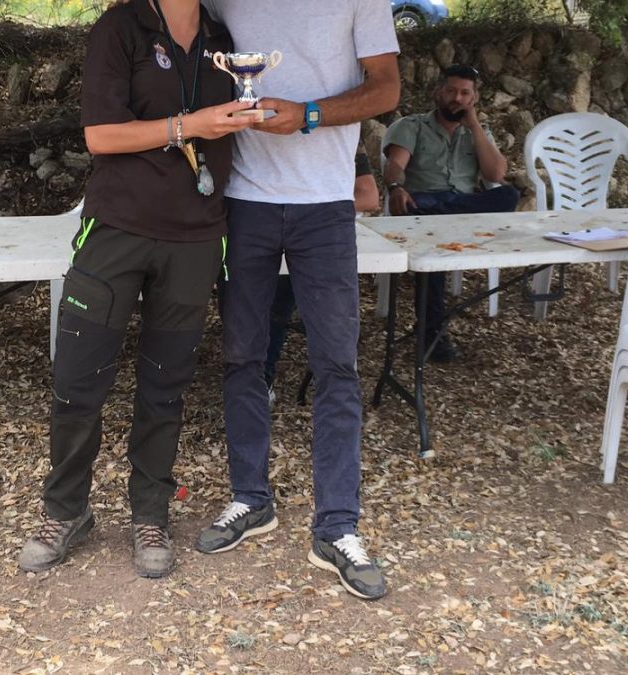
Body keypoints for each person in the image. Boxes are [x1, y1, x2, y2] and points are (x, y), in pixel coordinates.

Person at [19, 0, 255, 579]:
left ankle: (151, 514)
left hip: (195, 237)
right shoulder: (122, 27)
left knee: (165, 386)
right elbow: (100, 136)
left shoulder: (224, 39)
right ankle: (65, 510)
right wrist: (188, 126)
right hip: (117, 230)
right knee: (77, 381)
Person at [196, 0, 400, 601]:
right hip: (245, 200)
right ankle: (250, 498)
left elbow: (386, 88)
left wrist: (310, 114)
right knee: (241, 357)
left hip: (326, 204)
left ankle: (337, 526)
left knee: (337, 364)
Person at [382, 64, 520, 362]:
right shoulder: (413, 126)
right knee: (430, 239)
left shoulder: (477, 133)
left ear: (474, 98)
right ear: (438, 93)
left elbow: (496, 173)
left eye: (465, 93)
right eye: (451, 91)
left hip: (458, 212)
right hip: (421, 207)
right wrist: (395, 187)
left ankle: (439, 216)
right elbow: (395, 166)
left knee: (509, 195)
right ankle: (433, 335)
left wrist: (475, 127)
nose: (457, 99)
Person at [264, 148, 380, 405]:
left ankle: (272, 374)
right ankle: (262, 374)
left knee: (330, 322)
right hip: (266, 233)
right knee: (268, 302)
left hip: (323, 241)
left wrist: (317, 206)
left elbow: (370, 196)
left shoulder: (342, 142)